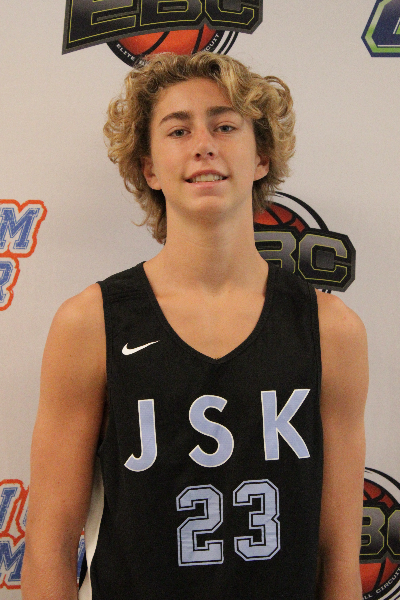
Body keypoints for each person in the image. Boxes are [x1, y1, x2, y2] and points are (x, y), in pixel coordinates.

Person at [22, 52, 368, 600]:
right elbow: (49, 544)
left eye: (225, 126)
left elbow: (338, 557)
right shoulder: (90, 323)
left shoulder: (330, 329)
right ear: (149, 168)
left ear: (261, 157)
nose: (204, 144)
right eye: (178, 130)